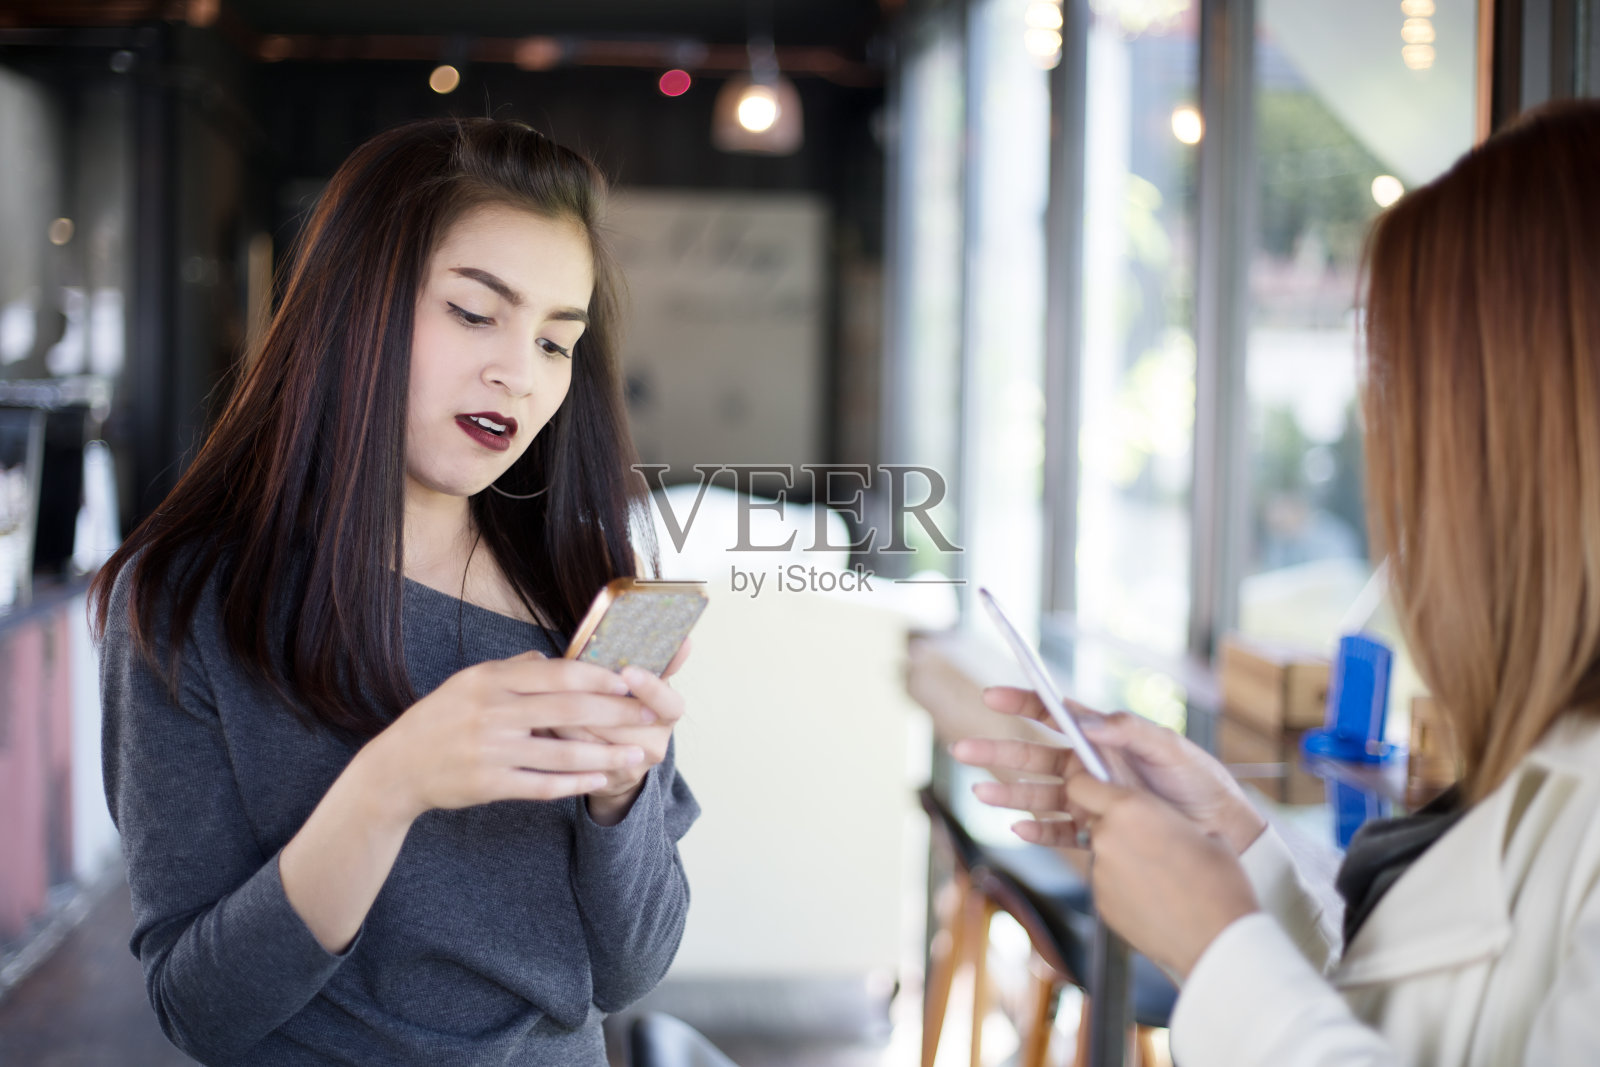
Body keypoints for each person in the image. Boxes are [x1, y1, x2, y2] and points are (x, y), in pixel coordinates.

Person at [955, 99, 1600, 1066]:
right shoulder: (1554, 763)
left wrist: (1219, 952)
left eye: (1410, 408)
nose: (1399, 478)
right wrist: (1240, 853)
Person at [90, 117, 698, 1066]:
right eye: (473, 311)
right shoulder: (188, 602)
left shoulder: (574, 591)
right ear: (356, 305)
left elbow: (629, 973)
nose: (518, 372)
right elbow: (200, 1009)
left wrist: (621, 795)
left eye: (555, 340)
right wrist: (388, 786)